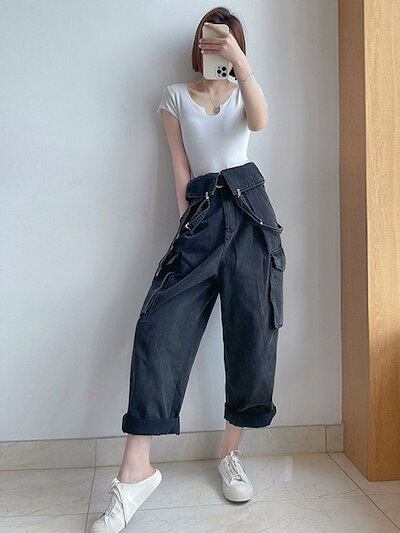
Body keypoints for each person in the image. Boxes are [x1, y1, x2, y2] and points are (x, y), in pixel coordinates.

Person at [90, 6, 286, 532]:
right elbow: (181, 167)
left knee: (251, 334)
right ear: (197, 45)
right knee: (158, 329)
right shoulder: (175, 96)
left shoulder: (244, 93)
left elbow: (261, 122)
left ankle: (230, 453)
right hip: (200, 218)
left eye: (224, 40)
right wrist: (187, 228)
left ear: (236, 47)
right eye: (208, 39)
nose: (213, 47)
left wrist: (240, 63)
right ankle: (136, 472)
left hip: (251, 214)